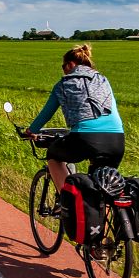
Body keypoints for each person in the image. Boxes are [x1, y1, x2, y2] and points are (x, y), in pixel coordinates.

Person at [26, 44, 124, 192]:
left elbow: (46, 113)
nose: (63, 70)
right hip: (116, 141)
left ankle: (66, 200)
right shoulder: (103, 80)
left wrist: (30, 131)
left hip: (85, 138)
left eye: (63, 66)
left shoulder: (63, 85)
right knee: (102, 189)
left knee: (53, 154)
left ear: (71, 64)